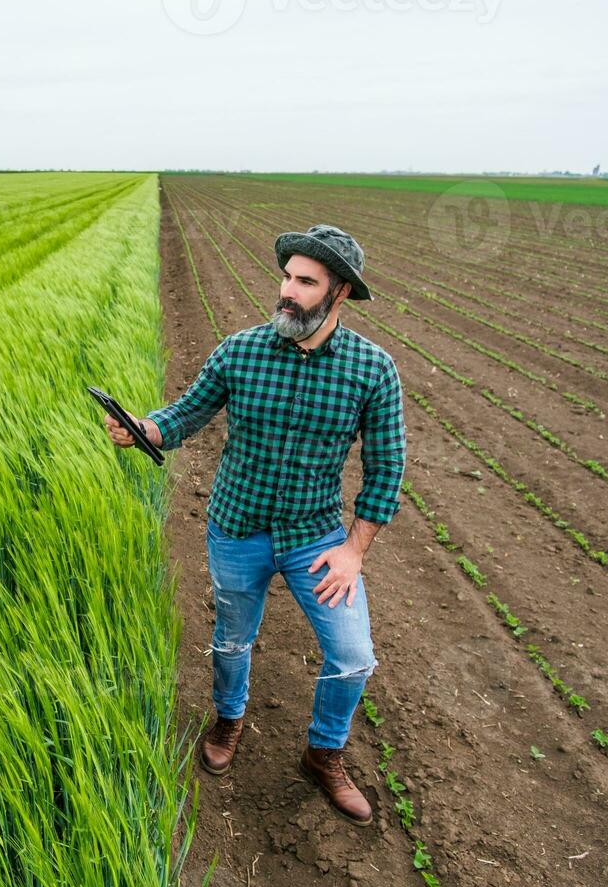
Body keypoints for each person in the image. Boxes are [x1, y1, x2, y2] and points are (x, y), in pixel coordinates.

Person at [104, 224, 405, 826]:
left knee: (352, 656)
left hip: (316, 539)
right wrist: (143, 430)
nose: (287, 291)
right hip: (236, 527)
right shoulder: (239, 350)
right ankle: (228, 717)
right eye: (286, 276)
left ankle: (323, 755)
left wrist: (353, 552)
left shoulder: (373, 370)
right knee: (232, 639)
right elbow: (184, 416)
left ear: (339, 292)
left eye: (305, 282)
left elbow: (387, 467)